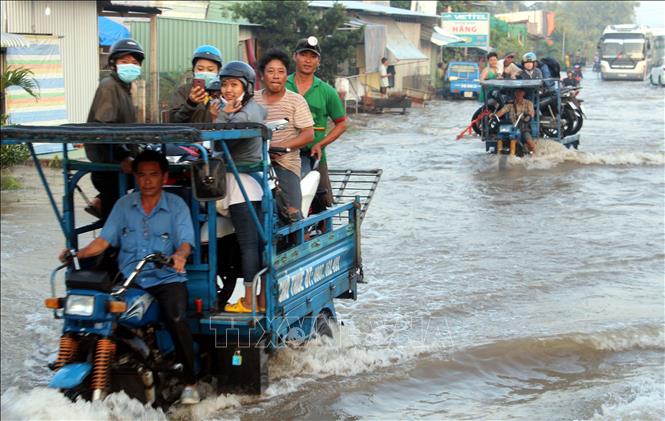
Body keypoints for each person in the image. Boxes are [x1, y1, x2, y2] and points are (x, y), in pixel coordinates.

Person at [58, 150, 200, 404]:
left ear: (164, 177)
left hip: (167, 278)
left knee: (177, 317)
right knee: (96, 314)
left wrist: (179, 256)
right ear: (135, 176)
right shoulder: (124, 205)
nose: (147, 181)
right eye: (142, 175)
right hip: (130, 279)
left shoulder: (176, 206)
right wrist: (75, 254)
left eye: (153, 175)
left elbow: (186, 242)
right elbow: (103, 241)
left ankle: (190, 381)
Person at [214, 61, 268, 313]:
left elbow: (220, 141)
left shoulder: (245, 114)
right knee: (255, 245)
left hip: (242, 185)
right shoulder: (248, 110)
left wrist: (224, 113)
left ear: (246, 87)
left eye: (234, 85)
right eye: (224, 84)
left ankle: (248, 301)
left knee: (248, 245)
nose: (228, 90)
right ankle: (258, 298)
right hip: (248, 184)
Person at [286, 37, 348, 217]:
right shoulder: (283, 85)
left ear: (318, 61)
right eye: (303, 55)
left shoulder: (326, 90)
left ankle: (321, 232)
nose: (307, 60)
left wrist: (321, 144)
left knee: (323, 200)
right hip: (284, 153)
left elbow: (342, 124)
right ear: (295, 57)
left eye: (312, 56)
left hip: (314, 154)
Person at [84, 38, 145, 220]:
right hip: (109, 164)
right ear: (113, 64)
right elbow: (105, 127)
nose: (130, 66)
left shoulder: (124, 88)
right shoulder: (109, 87)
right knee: (114, 224)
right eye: (124, 62)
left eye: (134, 63)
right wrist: (123, 156)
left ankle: (100, 201)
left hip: (117, 162)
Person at [254, 49, 314, 222]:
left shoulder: (296, 101)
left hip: (285, 163)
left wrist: (284, 147)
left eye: (280, 72)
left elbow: (308, 134)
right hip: (256, 163)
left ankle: (301, 238)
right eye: (270, 71)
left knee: (292, 213)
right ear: (262, 76)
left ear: (286, 76)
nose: (275, 76)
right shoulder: (252, 100)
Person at [168, 45, 223, 123]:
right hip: (190, 134)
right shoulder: (183, 91)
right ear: (193, 69)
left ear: (218, 71)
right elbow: (173, 121)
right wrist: (190, 103)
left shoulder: (223, 92)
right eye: (200, 69)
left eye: (210, 70)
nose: (205, 73)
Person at [493, 88, 536, 154]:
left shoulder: (528, 103)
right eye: (517, 92)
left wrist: (529, 114)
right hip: (512, 128)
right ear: (514, 93)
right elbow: (502, 111)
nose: (518, 93)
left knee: (530, 144)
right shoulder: (510, 104)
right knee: (499, 137)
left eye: (520, 92)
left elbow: (532, 113)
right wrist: (494, 115)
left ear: (524, 93)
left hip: (524, 127)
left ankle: (534, 157)